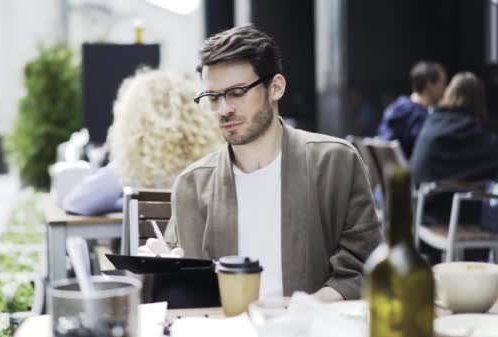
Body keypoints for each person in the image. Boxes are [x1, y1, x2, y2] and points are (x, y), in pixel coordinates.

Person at [161, 25, 382, 301]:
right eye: (213, 97)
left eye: (237, 91)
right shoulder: (192, 184)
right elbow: (183, 283)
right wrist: (161, 268)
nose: (223, 109)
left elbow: (364, 265)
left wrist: (298, 313)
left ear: (275, 87)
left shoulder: (335, 162)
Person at [62, 69, 223, 215]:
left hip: (152, 247)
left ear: (135, 119)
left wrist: (123, 204)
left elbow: (75, 203)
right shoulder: (215, 162)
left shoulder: (134, 168)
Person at [411, 72, 498, 226]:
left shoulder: (434, 120)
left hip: (423, 209)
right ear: (477, 100)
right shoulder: (466, 129)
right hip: (445, 215)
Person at [377, 61, 447, 158]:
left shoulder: (397, 106)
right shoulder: (418, 116)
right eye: (442, 83)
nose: (445, 89)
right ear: (429, 84)